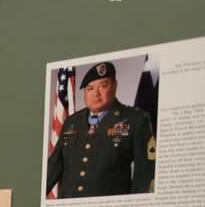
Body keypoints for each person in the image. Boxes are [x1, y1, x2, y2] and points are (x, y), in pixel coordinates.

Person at [45, 60, 155, 198]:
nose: (96, 93)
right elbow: (54, 166)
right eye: (90, 88)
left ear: (114, 86)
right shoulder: (72, 122)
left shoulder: (135, 119)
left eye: (103, 86)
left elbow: (146, 175)